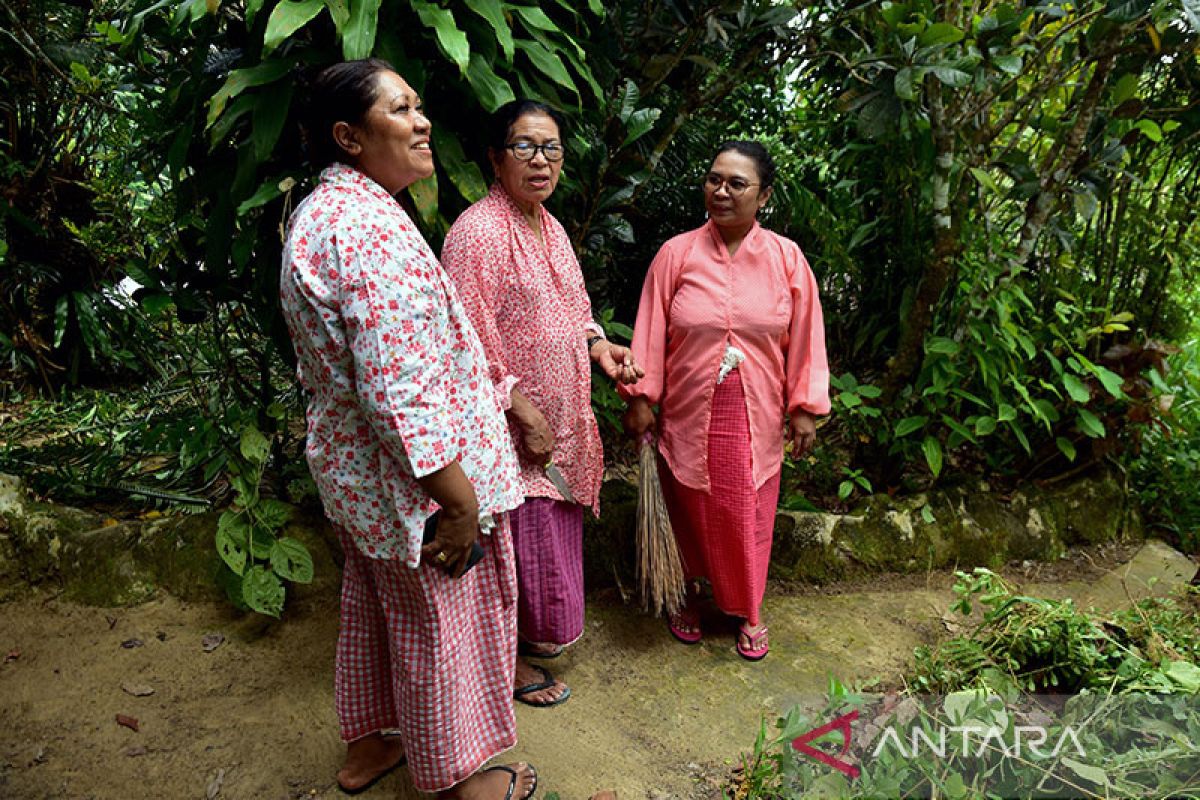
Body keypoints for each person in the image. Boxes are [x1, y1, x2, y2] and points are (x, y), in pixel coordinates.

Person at [279, 59, 536, 800]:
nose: (423, 121)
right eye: (401, 109)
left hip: (360, 480)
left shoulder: (326, 212)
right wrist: (456, 503)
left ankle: (371, 744)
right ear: (349, 137)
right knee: (435, 630)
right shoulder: (365, 230)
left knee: (376, 611)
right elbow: (400, 392)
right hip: (411, 489)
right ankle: (454, 782)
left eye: (419, 105)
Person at [442, 99, 643, 707]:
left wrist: (601, 347)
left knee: (550, 533)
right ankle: (506, 659)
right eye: (525, 147)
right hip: (511, 433)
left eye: (551, 148)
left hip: (563, 422)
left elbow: (575, 310)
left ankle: (535, 641)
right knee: (514, 543)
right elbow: (466, 342)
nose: (541, 160)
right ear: (495, 159)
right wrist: (520, 409)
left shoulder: (548, 224)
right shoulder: (477, 232)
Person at [620, 140, 830, 662]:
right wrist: (643, 396)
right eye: (714, 179)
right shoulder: (677, 254)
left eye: (737, 184)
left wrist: (803, 407)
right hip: (688, 412)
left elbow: (806, 335)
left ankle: (746, 609)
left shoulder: (786, 258)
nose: (721, 191)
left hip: (755, 412)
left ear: (764, 196)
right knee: (687, 505)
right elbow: (650, 331)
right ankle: (684, 594)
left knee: (746, 513)